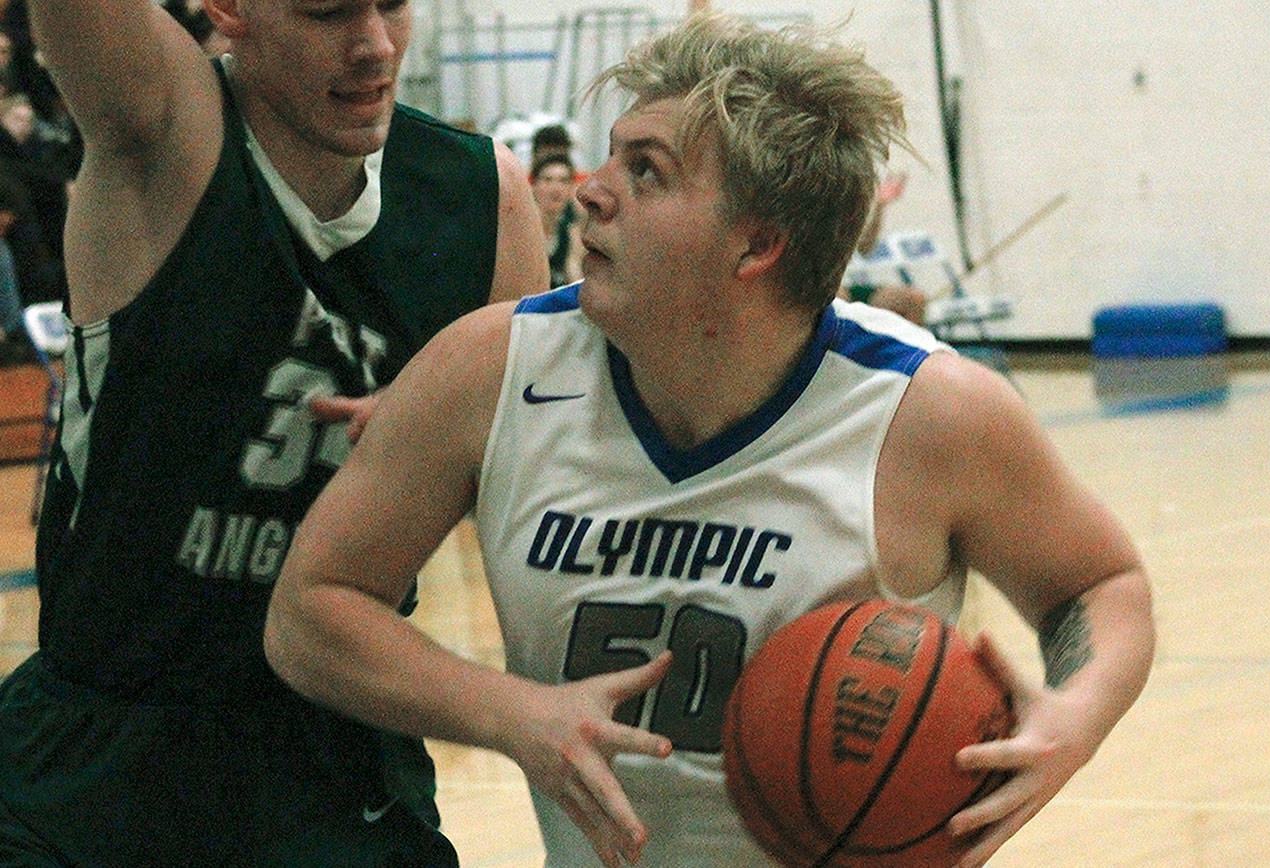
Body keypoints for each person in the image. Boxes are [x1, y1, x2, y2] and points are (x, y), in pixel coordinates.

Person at [266, 12, 1155, 868]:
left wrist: (1072, 716)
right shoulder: (490, 368)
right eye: (610, 154)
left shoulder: (931, 414)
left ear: (758, 243)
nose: (591, 190)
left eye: (646, 172)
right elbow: (312, 609)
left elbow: (1097, 586)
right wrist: (514, 714)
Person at [0, 0, 547, 864]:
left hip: (339, 754)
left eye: (393, 4)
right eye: (327, 11)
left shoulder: (487, 198)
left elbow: (536, 489)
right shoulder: (160, 126)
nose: (373, 45)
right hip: (105, 762)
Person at [840, 171, 930, 326]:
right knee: (835, 299)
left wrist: (880, 205)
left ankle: (907, 349)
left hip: (852, 289)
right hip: (833, 292)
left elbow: (864, 247)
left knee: (915, 299)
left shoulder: (839, 215)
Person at [531, 150, 585, 288]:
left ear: (572, 188)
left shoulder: (571, 232)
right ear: (534, 185)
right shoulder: (522, 230)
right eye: (548, 180)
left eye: (563, 181)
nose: (556, 188)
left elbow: (575, 279)